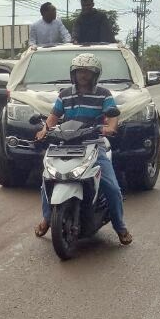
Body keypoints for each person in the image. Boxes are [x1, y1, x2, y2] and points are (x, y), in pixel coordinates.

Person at [33, 53, 132, 245]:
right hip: (64, 144)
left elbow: (112, 116)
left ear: (95, 74)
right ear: (73, 73)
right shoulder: (64, 94)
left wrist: (110, 127)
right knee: (47, 179)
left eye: (87, 72)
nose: (83, 75)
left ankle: (120, 227)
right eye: (79, 71)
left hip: (93, 145)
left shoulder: (103, 94)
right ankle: (47, 218)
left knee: (112, 187)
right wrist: (44, 130)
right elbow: (54, 117)